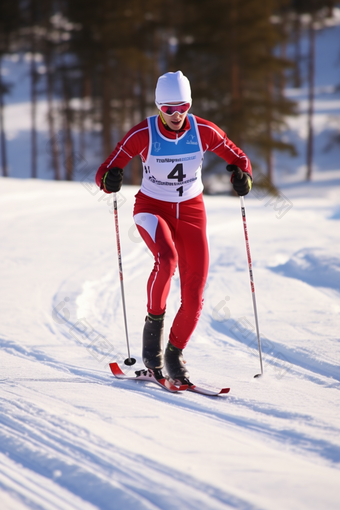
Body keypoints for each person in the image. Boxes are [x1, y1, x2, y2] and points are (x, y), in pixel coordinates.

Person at [95, 70, 252, 383]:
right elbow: (106, 170)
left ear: (190, 104)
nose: (176, 115)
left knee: (194, 290)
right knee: (166, 260)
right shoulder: (143, 133)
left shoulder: (204, 130)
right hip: (152, 209)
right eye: (168, 109)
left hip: (192, 212)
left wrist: (241, 175)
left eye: (182, 107)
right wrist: (109, 179)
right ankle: (151, 343)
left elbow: (239, 157)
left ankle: (173, 353)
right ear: (158, 107)